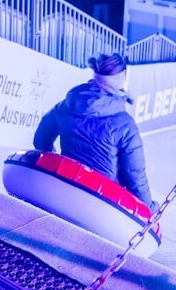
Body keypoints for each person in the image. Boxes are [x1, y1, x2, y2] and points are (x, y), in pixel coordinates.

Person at [33, 53, 154, 208]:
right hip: (102, 204)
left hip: (65, 190)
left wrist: (57, 163)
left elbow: (41, 139)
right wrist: (149, 209)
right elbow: (135, 178)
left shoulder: (67, 105)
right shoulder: (125, 125)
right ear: (121, 80)